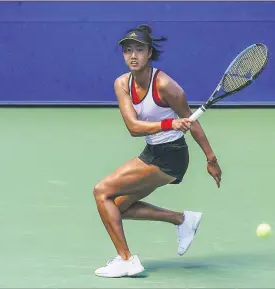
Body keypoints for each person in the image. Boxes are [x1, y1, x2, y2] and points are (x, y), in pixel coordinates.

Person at [93, 24, 222, 278]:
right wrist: (168, 123)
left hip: (171, 155)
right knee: (116, 207)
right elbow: (133, 127)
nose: (133, 55)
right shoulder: (122, 84)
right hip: (152, 151)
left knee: (101, 191)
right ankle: (182, 220)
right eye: (127, 50)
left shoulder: (165, 85)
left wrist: (211, 158)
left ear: (149, 52)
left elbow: (192, 122)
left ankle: (126, 260)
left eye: (139, 50)